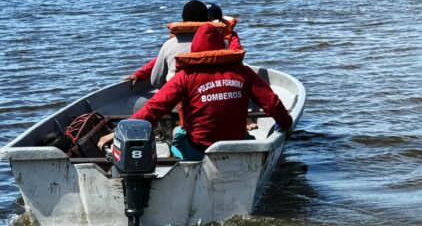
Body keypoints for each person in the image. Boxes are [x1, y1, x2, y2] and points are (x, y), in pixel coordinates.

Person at [100, 23, 292, 160]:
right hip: (237, 143)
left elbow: (154, 108)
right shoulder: (243, 72)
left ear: (195, 49)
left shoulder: (185, 76)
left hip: (199, 148)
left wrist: (120, 130)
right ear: (221, 47)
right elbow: (272, 103)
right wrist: (286, 123)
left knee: (177, 135)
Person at [124, 0, 242, 87]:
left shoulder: (170, 45)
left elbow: (156, 80)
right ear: (206, 20)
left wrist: (140, 75)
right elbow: (237, 61)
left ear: (183, 20)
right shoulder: (223, 43)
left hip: (178, 97)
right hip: (208, 94)